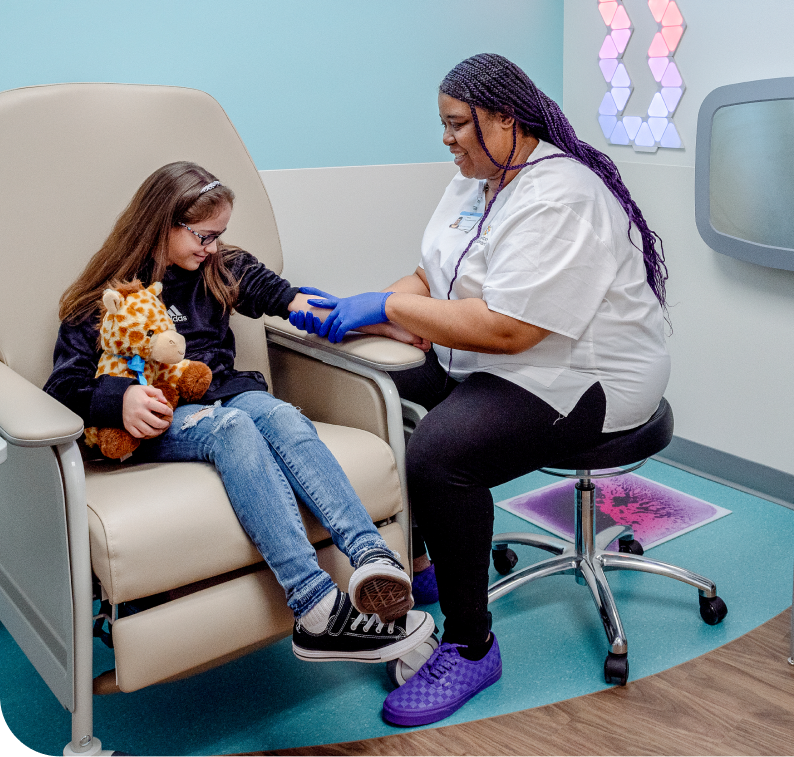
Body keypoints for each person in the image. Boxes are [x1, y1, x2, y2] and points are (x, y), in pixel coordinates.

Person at [290, 52, 671, 726]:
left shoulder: (562, 195)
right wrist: (364, 311)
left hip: (583, 375)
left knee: (441, 454)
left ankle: (470, 646)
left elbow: (510, 329)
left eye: (458, 124)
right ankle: (423, 561)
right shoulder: (474, 181)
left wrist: (391, 308)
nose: (447, 138)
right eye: (443, 124)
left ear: (507, 120)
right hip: (489, 354)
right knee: (371, 385)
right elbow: (428, 276)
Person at [44, 161, 435, 667]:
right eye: (203, 236)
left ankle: (373, 558)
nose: (212, 248)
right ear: (161, 223)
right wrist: (119, 399)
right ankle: (315, 608)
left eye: (219, 235)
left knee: (280, 415)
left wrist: (384, 325)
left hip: (227, 391)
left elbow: (296, 303)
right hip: (165, 417)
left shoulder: (222, 267)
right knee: (231, 427)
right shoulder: (111, 296)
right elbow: (63, 387)